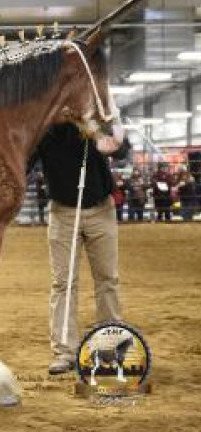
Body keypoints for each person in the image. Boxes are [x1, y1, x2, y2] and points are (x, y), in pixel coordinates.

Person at [30, 122, 130, 374]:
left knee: (108, 279)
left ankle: (112, 345)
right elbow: (21, 164)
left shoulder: (94, 118)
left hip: (101, 209)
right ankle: (65, 352)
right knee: (63, 283)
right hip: (62, 212)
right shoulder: (43, 127)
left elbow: (120, 150)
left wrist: (117, 143)